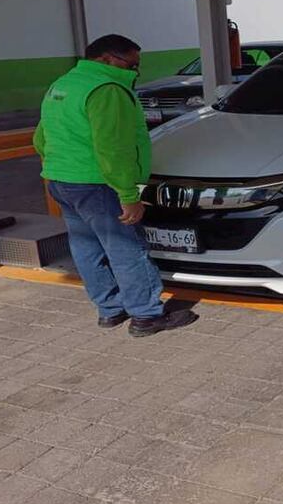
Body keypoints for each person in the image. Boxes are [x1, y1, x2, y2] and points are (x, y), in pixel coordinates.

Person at [34, 34, 198, 337]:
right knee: (127, 248)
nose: (136, 72)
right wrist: (128, 194)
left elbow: (40, 138)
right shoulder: (107, 89)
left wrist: (60, 165)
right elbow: (113, 148)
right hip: (98, 184)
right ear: (108, 59)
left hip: (61, 180)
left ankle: (110, 310)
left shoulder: (63, 84)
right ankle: (146, 316)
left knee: (86, 245)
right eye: (132, 64)